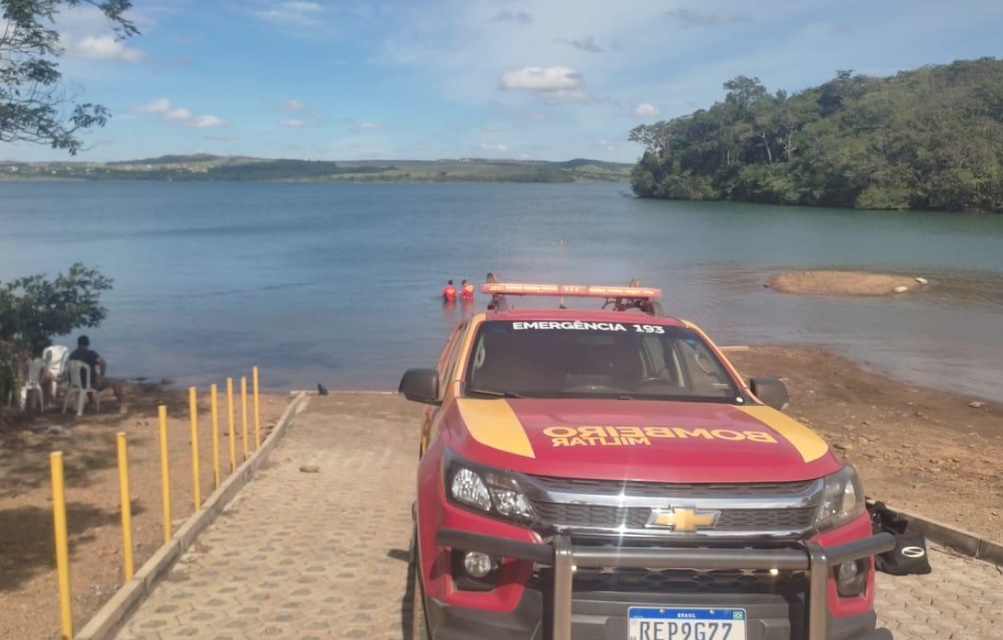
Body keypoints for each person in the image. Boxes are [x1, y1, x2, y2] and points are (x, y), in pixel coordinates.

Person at [68, 335, 126, 413]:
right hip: (90, 384)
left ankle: (91, 401)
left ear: (78, 344)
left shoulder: (73, 355)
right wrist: (102, 375)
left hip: (76, 383)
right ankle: (122, 406)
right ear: (88, 344)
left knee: (87, 377)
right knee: (115, 382)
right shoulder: (90, 353)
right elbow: (102, 363)